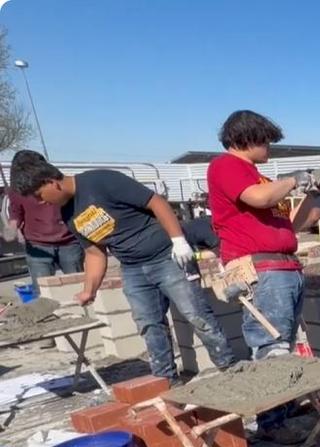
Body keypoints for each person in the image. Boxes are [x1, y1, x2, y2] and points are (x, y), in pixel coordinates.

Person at [11, 149, 236, 382]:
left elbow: (156, 202)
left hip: (166, 257)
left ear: (51, 182)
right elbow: (94, 252)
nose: (41, 202)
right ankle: (167, 380)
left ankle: (230, 368)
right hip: (133, 270)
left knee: (197, 315)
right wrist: (90, 289)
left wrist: (178, 240)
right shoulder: (68, 213)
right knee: (149, 325)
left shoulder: (101, 181)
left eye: (39, 194)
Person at [206, 110, 315, 445]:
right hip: (261, 271)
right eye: (265, 140)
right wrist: (294, 179)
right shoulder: (226, 166)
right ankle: (271, 420)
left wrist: (314, 192)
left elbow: (292, 225)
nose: (269, 147)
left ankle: (283, 406)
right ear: (246, 138)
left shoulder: (258, 178)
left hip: (282, 267)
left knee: (283, 343)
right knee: (271, 347)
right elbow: (258, 199)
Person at [8, 169, 84, 295]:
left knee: (78, 285)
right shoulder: (17, 191)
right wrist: (10, 230)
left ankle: (84, 312)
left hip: (69, 242)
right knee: (43, 291)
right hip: (37, 245)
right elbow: (16, 215)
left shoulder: (55, 184)